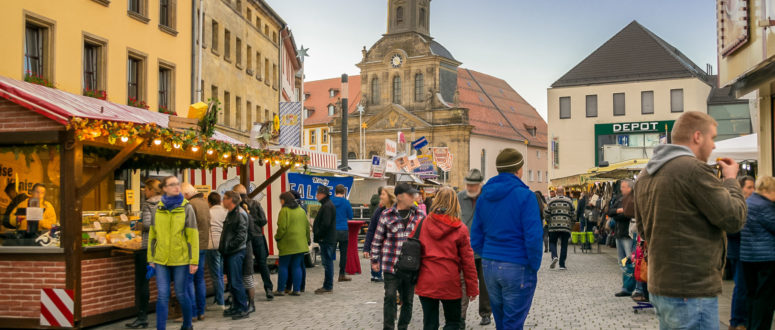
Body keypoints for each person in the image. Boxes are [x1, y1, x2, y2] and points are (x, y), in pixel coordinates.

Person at [634, 112, 746, 329]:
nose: (714, 146)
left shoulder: (645, 174)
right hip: (692, 291)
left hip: (662, 286)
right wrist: (732, 180)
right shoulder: (693, 170)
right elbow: (734, 218)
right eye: (712, 137)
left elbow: (644, 230)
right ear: (697, 136)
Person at [470, 148, 543, 329]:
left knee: (501, 321)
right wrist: (533, 265)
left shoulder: (484, 196)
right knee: (513, 323)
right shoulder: (525, 196)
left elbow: (475, 235)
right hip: (516, 264)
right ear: (518, 170)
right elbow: (533, 237)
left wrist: (487, 254)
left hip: (490, 265)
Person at [416, 186, 479, 330]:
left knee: (430, 323)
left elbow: (414, 250)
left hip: (427, 279)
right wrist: (472, 288)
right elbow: (468, 262)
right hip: (450, 281)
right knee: (453, 322)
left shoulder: (422, 224)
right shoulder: (460, 228)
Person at [147, 176, 199, 330]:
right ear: (164, 188)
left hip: (181, 259)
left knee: (181, 294)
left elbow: (193, 236)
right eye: (172, 185)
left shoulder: (186, 208)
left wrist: (193, 260)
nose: (176, 187)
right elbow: (152, 236)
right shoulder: (157, 209)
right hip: (161, 259)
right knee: (162, 296)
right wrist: (151, 258)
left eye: (178, 184)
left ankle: (187, 324)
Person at [371, 183, 425, 330]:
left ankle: (403, 327)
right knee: (389, 296)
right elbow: (378, 239)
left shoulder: (420, 215)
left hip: (411, 265)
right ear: (400, 196)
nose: (414, 197)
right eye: (410, 194)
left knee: (408, 300)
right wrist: (374, 259)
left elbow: (426, 241)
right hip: (391, 263)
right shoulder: (386, 215)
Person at [458, 169, 492, 327]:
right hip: (464, 248)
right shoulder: (460, 198)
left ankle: (485, 313)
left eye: (473, 185)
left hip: (484, 249)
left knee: (485, 283)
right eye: (468, 185)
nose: (470, 188)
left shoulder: (487, 198)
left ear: (480, 185)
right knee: (462, 283)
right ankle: (461, 314)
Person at [740, 176, 775, 330]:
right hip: (766, 258)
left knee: (752, 296)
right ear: (769, 190)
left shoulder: (748, 203)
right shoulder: (764, 206)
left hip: (748, 257)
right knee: (764, 299)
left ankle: (751, 325)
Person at [125, 179, 161, 329]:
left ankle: (142, 316)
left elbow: (147, 224)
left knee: (142, 282)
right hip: (163, 247)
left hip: (148, 247)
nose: (144, 193)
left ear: (151, 190)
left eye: (145, 190)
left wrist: (137, 225)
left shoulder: (149, 204)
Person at [233, 184, 274, 301]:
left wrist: (249, 218)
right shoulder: (256, 204)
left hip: (245, 238)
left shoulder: (236, 205)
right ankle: (268, 288)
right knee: (262, 264)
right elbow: (264, 221)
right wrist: (254, 221)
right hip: (258, 236)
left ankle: (245, 291)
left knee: (245, 265)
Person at [181, 183, 211, 322]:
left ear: (186, 195)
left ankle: (191, 313)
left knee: (188, 281)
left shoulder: (190, 205)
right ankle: (201, 311)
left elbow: (185, 226)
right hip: (204, 244)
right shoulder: (204, 203)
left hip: (192, 247)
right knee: (199, 280)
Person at [219, 190, 250, 320]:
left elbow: (242, 235)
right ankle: (236, 306)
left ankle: (243, 307)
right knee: (232, 281)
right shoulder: (232, 213)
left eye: (224, 198)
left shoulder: (240, 214)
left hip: (236, 252)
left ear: (230, 200)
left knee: (236, 281)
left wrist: (230, 246)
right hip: (230, 252)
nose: (222, 201)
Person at [728, 175, 754, 329]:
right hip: (738, 251)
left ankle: (741, 320)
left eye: (753, 187)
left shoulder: (749, 205)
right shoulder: (737, 204)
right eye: (749, 187)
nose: (752, 190)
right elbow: (731, 229)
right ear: (741, 188)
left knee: (744, 287)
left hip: (748, 251)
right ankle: (737, 321)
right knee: (741, 287)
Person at [274, 191, 310, 296]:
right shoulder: (301, 211)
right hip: (300, 244)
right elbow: (307, 227)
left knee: (283, 266)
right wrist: (307, 239)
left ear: (284, 200)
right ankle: (297, 290)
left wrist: (277, 237)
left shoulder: (284, 211)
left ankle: (281, 289)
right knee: (296, 266)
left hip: (287, 243)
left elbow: (282, 228)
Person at [364, 186, 395, 283]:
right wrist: (366, 247)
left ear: (390, 196)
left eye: (383, 194)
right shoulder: (379, 210)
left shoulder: (399, 211)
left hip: (394, 250)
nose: (380, 197)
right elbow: (371, 229)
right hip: (380, 245)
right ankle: (376, 275)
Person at [611, 180, 635, 297]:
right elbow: (609, 212)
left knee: (629, 261)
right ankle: (626, 286)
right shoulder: (620, 199)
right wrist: (618, 211)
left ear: (630, 188)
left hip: (628, 236)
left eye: (623, 187)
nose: (621, 189)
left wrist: (617, 213)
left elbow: (627, 214)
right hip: (619, 235)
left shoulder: (633, 199)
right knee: (622, 261)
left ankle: (628, 287)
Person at [312, 185, 337, 294]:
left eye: (318, 193)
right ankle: (327, 285)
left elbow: (325, 224)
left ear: (323, 195)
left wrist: (319, 234)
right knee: (328, 262)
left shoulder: (326, 206)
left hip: (326, 239)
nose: (316, 195)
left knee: (327, 263)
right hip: (327, 238)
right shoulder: (327, 205)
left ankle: (328, 286)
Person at [545, 186, 574, 270]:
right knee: (564, 245)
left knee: (553, 242)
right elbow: (573, 214)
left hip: (553, 226)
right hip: (565, 226)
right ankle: (562, 265)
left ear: (556, 192)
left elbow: (546, 213)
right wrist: (571, 224)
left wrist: (549, 221)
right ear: (564, 192)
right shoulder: (569, 201)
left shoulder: (551, 201)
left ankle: (554, 256)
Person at [207, 192, 227, 311]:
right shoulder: (225, 211)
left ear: (209, 202)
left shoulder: (209, 212)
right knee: (220, 273)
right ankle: (219, 299)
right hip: (223, 245)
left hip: (212, 245)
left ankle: (220, 301)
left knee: (216, 275)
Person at [331, 184, 354, 282]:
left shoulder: (330, 201)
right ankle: (341, 274)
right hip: (343, 230)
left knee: (330, 253)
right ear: (344, 192)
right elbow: (351, 216)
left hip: (332, 230)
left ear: (335, 191)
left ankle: (329, 275)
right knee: (343, 254)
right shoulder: (346, 202)